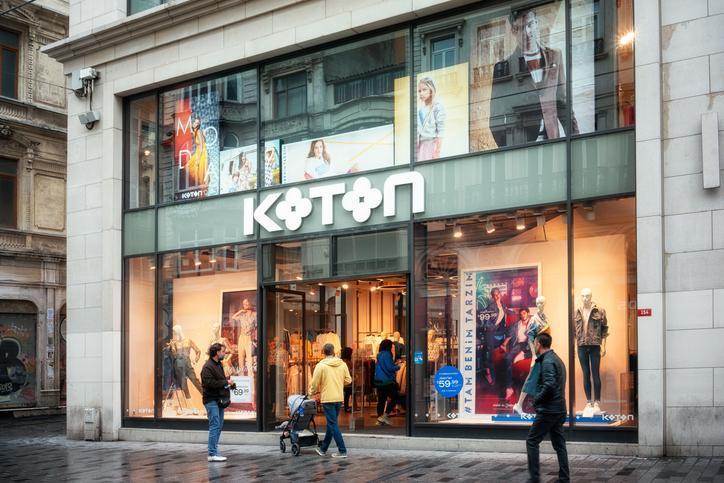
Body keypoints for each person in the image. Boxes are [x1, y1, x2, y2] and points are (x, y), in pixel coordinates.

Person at [490, 8, 578, 148]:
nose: (527, 32)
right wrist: (508, 148)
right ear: (514, 31)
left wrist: (576, 141)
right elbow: (495, 120)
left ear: (537, 24)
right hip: (522, 144)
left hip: (551, 140)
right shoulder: (504, 67)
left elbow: (563, 103)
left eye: (530, 25)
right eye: (521, 28)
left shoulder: (555, 56)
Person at [526, 332, 569, 483]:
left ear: (538, 344)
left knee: (532, 441)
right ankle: (564, 478)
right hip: (559, 409)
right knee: (559, 445)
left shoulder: (548, 361)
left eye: (534, 344)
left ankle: (534, 478)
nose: (534, 346)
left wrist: (536, 400)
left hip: (549, 410)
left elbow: (549, 385)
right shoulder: (556, 359)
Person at [309, 343, 352, 458]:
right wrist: (338, 382)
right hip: (338, 397)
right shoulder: (342, 364)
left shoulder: (321, 366)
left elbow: (314, 383)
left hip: (328, 398)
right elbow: (348, 380)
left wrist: (310, 392)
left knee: (333, 424)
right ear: (333, 352)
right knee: (331, 424)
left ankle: (342, 450)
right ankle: (323, 449)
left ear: (323, 352)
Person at [201, 342, 236, 462]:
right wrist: (225, 382)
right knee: (215, 425)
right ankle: (212, 454)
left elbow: (219, 381)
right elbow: (209, 383)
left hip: (219, 400)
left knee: (219, 426)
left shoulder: (218, 365)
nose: (224, 354)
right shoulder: (207, 367)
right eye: (223, 351)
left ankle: (214, 452)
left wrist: (229, 384)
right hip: (211, 400)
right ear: (217, 352)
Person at [416, 77, 446, 161]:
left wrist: (437, 151)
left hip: (432, 146)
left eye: (424, 90)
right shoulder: (420, 110)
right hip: (420, 148)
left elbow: (441, 131)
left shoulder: (437, 107)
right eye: (419, 91)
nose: (421, 93)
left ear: (431, 90)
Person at [374, 339, 400, 426]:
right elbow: (390, 368)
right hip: (386, 381)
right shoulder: (387, 354)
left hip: (378, 380)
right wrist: (398, 366)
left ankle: (379, 418)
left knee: (381, 400)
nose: (392, 348)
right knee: (395, 398)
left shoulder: (379, 354)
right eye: (391, 346)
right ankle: (385, 415)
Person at [341, 347, 353, 412]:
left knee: (347, 393)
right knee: (348, 393)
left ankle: (347, 406)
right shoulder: (346, 362)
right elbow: (348, 371)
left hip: (345, 380)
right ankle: (346, 407)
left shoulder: (343, 361)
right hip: (347, 380)